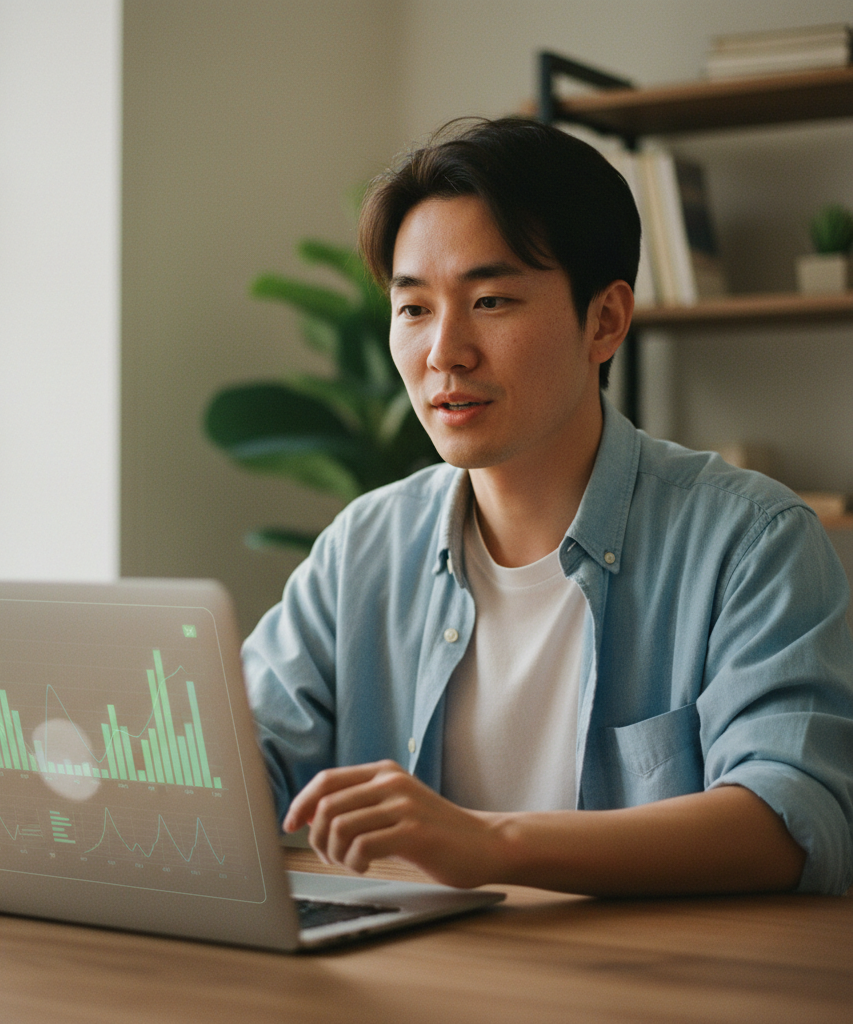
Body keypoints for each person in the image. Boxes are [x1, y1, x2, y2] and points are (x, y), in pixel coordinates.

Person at [242, 117, 853, 896]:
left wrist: (493, 844)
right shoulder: (365, 545)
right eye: (414, 308)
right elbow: (236, 761)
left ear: (605, 320)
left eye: (490, 300)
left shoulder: (752, 541)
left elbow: (791, 819)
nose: (444, 353)